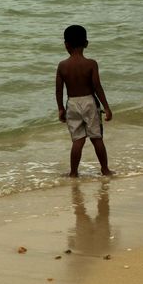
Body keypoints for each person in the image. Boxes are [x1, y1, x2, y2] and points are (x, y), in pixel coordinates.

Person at [56, 24, 114, 177]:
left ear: (66, 45)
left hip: (72, 103)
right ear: (86, 43)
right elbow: (97, 87)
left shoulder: (62, 66)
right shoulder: (91, 64)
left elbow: (59, 90)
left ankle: (74, 172)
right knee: (96, 138)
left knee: (77, 141)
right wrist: (107, 107)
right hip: (89, 102)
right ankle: (105, 170)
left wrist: (61, 108)